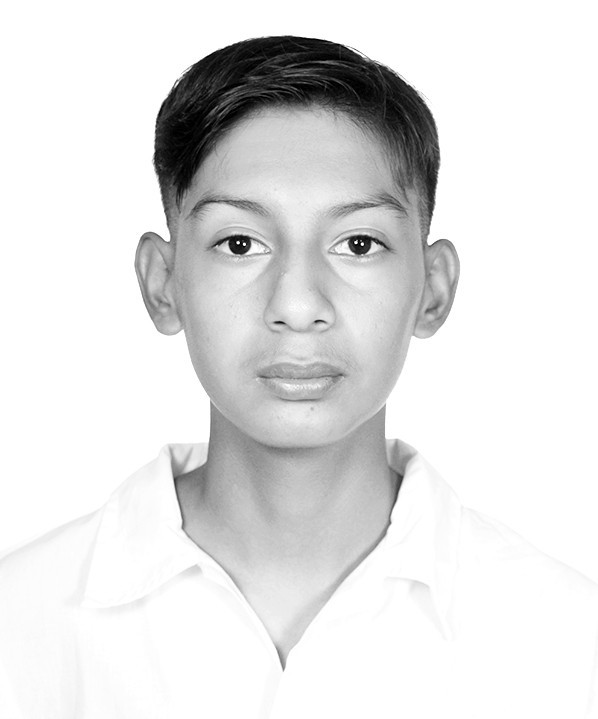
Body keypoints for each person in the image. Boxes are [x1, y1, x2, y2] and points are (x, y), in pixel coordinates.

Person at [0, 35, 596, 719]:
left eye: (359, 244)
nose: (297, 304)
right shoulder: (19, 625)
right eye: (240, 243)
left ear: (433, 290)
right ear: (162, 283)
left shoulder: (569, 641)